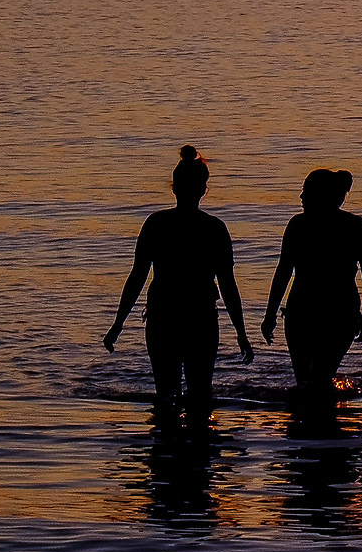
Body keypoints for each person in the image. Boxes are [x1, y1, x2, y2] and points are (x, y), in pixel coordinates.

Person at [105, 145, 254, 417]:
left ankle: (166, 440)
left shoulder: (156, 224)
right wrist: (241, 333)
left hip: (163, 319)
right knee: (201, 396)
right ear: (203, 189)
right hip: (201, 320)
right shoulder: (215, 229)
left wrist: (118, 324)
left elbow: (137, 277)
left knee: (165, 396)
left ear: (174, 188)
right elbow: (228, 286)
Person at [261, 167, 362, 409]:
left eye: (307, 192)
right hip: (306, 312)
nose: (301, 197)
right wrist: (270, 314)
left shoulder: (349, 226)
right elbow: (283, 271)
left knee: (317, 378)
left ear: (322, 195)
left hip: (333, 313)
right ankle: (318, 422)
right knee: (309, 380)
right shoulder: (303, 225)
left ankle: (315, 423)